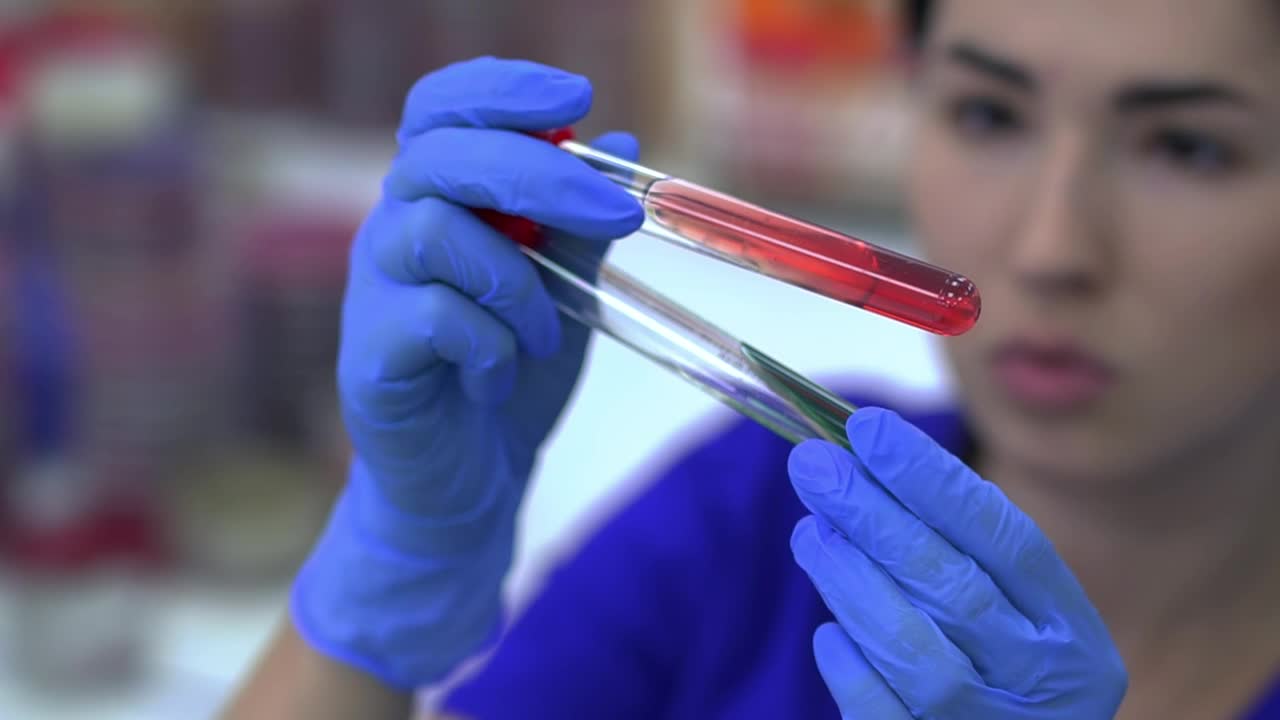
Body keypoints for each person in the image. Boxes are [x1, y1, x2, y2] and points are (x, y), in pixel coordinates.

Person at [222, 0, 1280, 717]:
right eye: (987, 113)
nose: (1050, 249)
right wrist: (385, 583)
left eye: (1186, 147)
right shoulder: (757, 519)